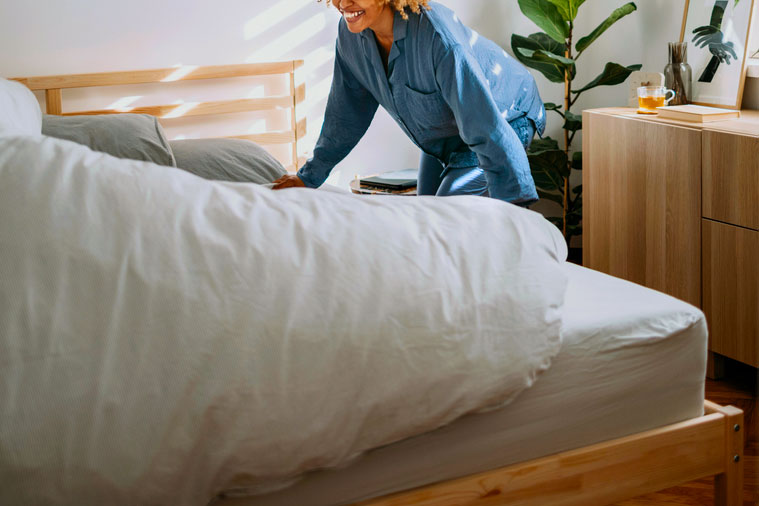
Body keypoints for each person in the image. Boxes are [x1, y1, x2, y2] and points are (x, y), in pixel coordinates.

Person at [273, 0, 545, 205]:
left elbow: (485, 125)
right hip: (444, 138)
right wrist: (308, 177)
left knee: (442, 224)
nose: (343, 3)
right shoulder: (350, 36)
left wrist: (514, 210)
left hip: (504, 116)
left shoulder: (436, 37)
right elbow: (345, 114)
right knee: (423, 217)